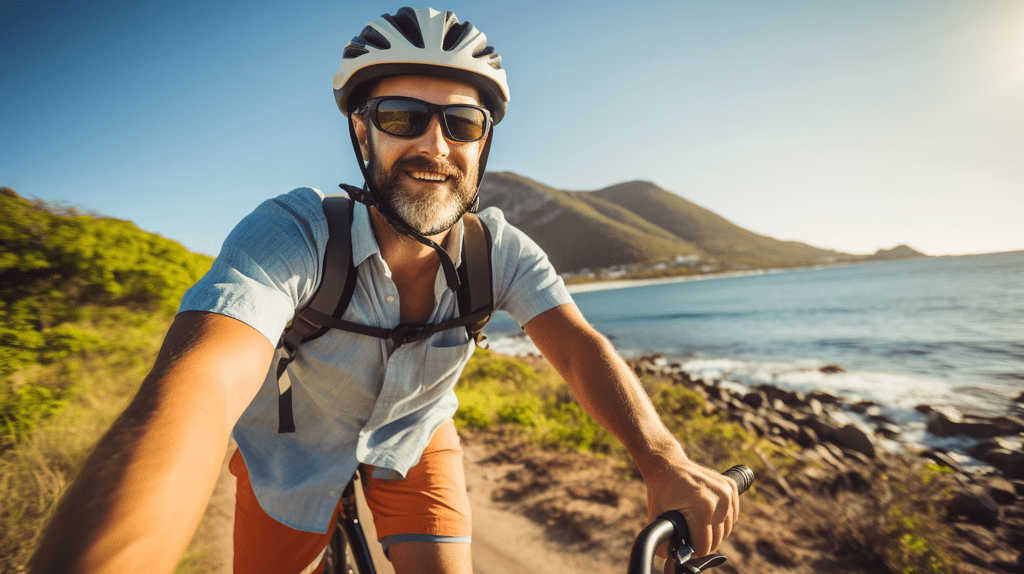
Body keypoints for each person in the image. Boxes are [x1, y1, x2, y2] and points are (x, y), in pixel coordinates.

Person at [30, 7, 739, 574]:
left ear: (483, 143)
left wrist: (665, 459)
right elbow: (198, 386)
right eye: (403, 117)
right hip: (290, 455)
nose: (436, 145)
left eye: (462, 123)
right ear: (360, 130)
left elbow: (579, 345)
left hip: (416, 437)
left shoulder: (501, 252)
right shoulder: (294, 233)